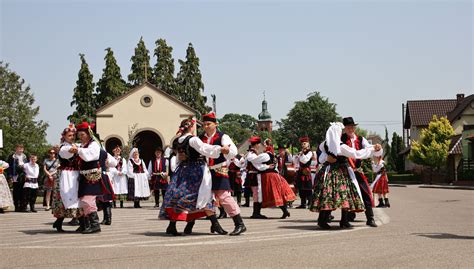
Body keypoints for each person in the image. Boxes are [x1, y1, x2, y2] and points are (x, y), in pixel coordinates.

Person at [159, 118, 229, 236]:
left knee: (183, 197)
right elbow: (205, 149)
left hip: (183, 170)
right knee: (203, 197)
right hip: (196, 170)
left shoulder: (178, 140)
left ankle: (173, 226)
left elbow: (178, 158)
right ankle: (215, 225)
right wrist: (220, 149)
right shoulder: (193, 139)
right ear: (191, 127)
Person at [311, 123, 382, 229]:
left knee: (340, 196)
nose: (343, 132)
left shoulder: (326, 143)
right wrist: (327, 158)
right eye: (341, 131)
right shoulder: (340, 145)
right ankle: (325, 220)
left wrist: (326, 158)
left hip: (338, 172)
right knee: (338, 196)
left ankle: (342, 220)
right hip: (338, 173)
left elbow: (320, 153)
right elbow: (355, 154)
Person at [198, 112, 246, 236]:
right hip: (205, 171)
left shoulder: (223, 136)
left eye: (209, 124)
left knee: (224, 197)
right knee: (206, 197)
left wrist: (227, 150)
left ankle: (239, 223)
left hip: (219, 169)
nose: (206, 126)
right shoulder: (200, 138)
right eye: (205, 124)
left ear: (216, 124)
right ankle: (215, 224)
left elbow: (234, 151)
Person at [72, 121, 110, 234]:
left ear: (89, 134)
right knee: (83, 201)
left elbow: (91, 156)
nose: (80, 137)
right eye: (79, 135)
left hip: (92, 177)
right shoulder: (82, 145)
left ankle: (95, 225)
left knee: (88, 201)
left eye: (82, 134)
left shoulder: (93, 145)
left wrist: (78, 150)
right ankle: (87, 224)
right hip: (84, 177)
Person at [341, 117, 378, 227]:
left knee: (366, 193)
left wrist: (375, 147)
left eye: (352, 127)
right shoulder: (341, 139)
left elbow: (369, 148)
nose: (350, 129)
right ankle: (346, 219)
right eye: (348, 127)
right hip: (345, 171)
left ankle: (370, 218)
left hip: (357, 171)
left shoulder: (361, 139)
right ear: (344, 128)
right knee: (346, 195)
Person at [246, 136, 296, 219]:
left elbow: (256, 163)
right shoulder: (271, 156)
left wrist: (266, 167)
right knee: (276, 193)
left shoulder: (264, 155)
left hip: (268, 176)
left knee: (270, 193)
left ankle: (257, 213)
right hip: (273, 175)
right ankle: (284, 211)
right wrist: (268, 166)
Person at [52, 124, 83, 232]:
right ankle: (81, 224)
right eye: (70, 135)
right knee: (67, 196)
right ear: (64, 136)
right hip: (66, 175)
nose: (72, 137)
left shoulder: (74, 145)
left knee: (75, 197)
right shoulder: (64, 147)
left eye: (73, 135)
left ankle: (59, 222)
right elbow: (72, 150)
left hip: (74, 174)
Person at [7, 144, 28, 212]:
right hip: (15, 175)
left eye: (21, 149)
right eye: (19, 148)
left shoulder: (24, 157)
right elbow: (9, 167)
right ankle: (17, 206)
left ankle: (23, 206)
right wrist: (10, 176)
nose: (20, 150)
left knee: (23, 191)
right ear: (16, 149)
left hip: (23, 175)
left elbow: (27, 167)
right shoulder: (12, 156)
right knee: (16, 191)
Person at [295, 137, 313, 209]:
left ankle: (310, 202)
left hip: (306, 172)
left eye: (304, 143)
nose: (303, 145)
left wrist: (301, 155)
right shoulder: (301, 152)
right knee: (301, 188)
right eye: (302, 144)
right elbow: (296, 161)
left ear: (308, 144)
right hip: (301, 171)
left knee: (308, 188)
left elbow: (304, 160)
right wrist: (298, 156)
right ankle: (303, 203)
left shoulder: (310, 152)